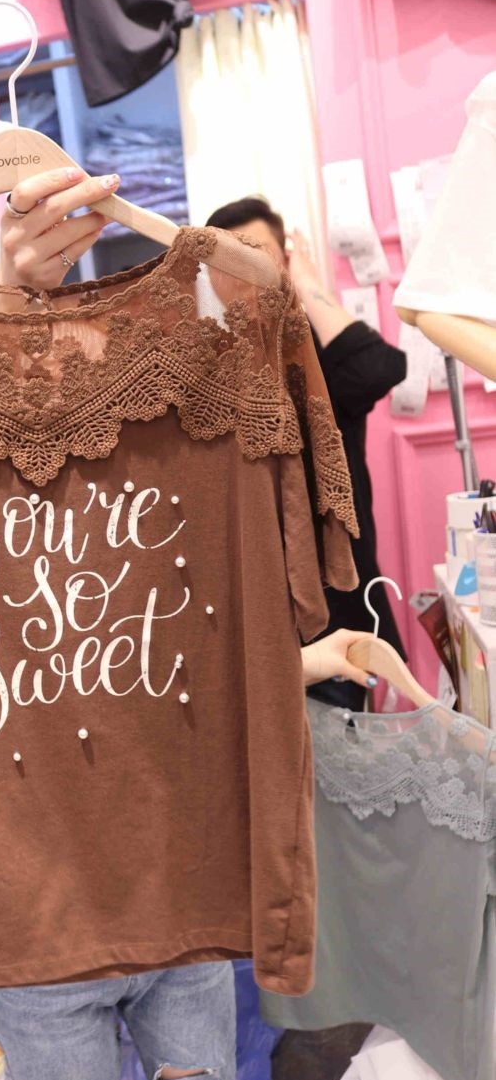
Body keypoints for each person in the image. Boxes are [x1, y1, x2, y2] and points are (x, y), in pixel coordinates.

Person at [0, 169, 381, 1080]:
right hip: (37, 918)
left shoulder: (168, 509)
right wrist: (8, 290)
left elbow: (196, 660)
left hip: (173, 893)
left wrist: (309, 658)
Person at [206, 197, 408, 709]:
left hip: (343, 615)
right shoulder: (212, 374)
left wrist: (306, 282)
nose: (245, 274)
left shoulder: (317, 364)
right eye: (229, 261)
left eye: (258, 256)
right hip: (261, 631)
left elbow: (380, 367)